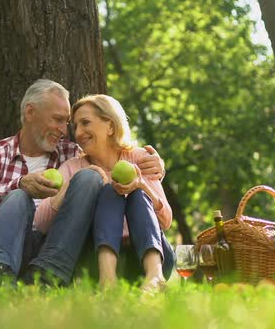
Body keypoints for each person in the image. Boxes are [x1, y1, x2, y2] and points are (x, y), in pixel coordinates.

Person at [0, 79, 164, 286]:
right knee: (17, 197)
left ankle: (48, 275)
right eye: (57, 119)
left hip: (56, 249)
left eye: (66, 122)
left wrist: (155, 167)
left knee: (89, 177)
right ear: (29, 112)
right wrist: (20, 184)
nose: (64, 130)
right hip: (12, 248)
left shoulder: (72, 153)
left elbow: (110, 161)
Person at [34, 94, 175, 291]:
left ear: (110, 126)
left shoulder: (140, 158)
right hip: (97, 262)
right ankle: (107, 282)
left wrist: (141, 184)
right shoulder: (73, 167)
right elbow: (40, 223)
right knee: (109, 191)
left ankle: (155, 278)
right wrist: (71, 187)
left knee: (134, 193)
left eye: (85, 123)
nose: (79, 132)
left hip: (148, 256)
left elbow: (166, 221)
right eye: (76, 126)